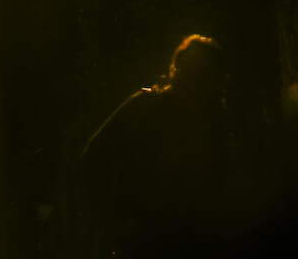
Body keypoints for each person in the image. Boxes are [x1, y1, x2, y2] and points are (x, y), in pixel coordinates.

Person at [75, 34, 230, 257]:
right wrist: (111, 222)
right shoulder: (145, 107)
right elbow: (93, 156)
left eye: (204, 74)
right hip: (146, 241)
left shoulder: (214, 123)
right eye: (194, 72)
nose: (197, 81)